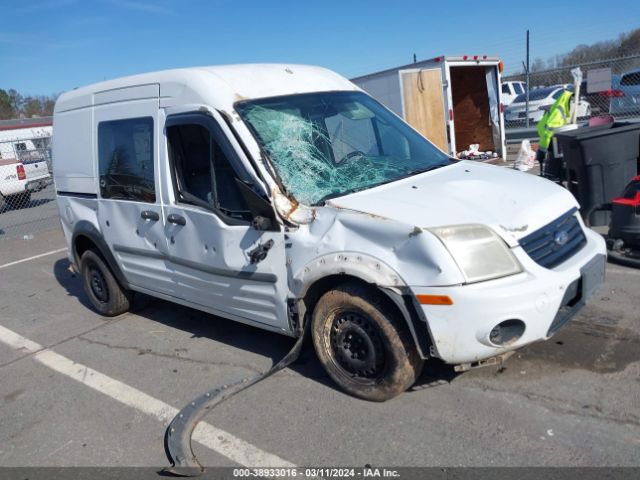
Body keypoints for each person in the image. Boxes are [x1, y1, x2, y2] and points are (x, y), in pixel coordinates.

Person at [535, 89, 574, 177]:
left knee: (554, 161)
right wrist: (543, 149)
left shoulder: (561, 108)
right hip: (549, 137)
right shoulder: (559, 111)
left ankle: (553, 173)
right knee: (554, 161)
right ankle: (553, 174)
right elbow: (547, 131)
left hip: (552, 137)